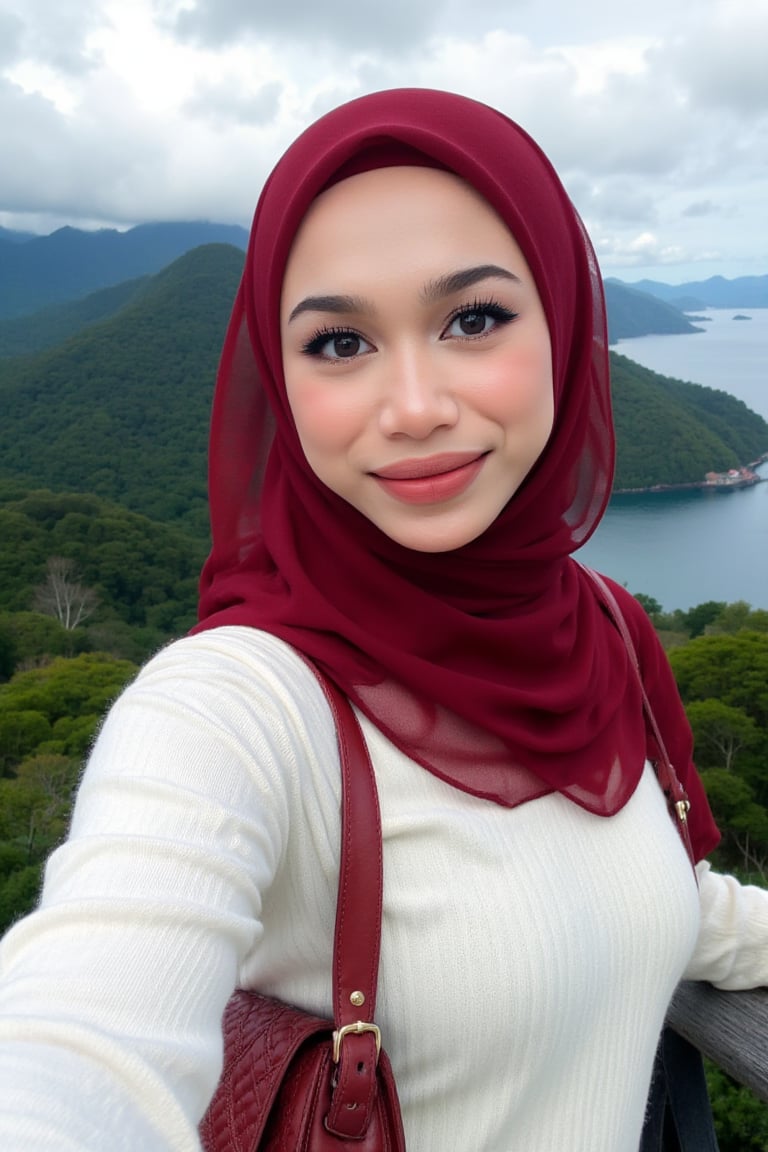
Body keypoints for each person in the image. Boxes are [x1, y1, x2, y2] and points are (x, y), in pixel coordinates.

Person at [0, 88, 766, 1152]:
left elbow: (639, 895)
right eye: (340, 342)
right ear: (278, 376)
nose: (413, 406)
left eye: (475, 319)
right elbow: (79, 1046)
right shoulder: (237, 703)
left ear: (564, 326)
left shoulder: (601, 633)